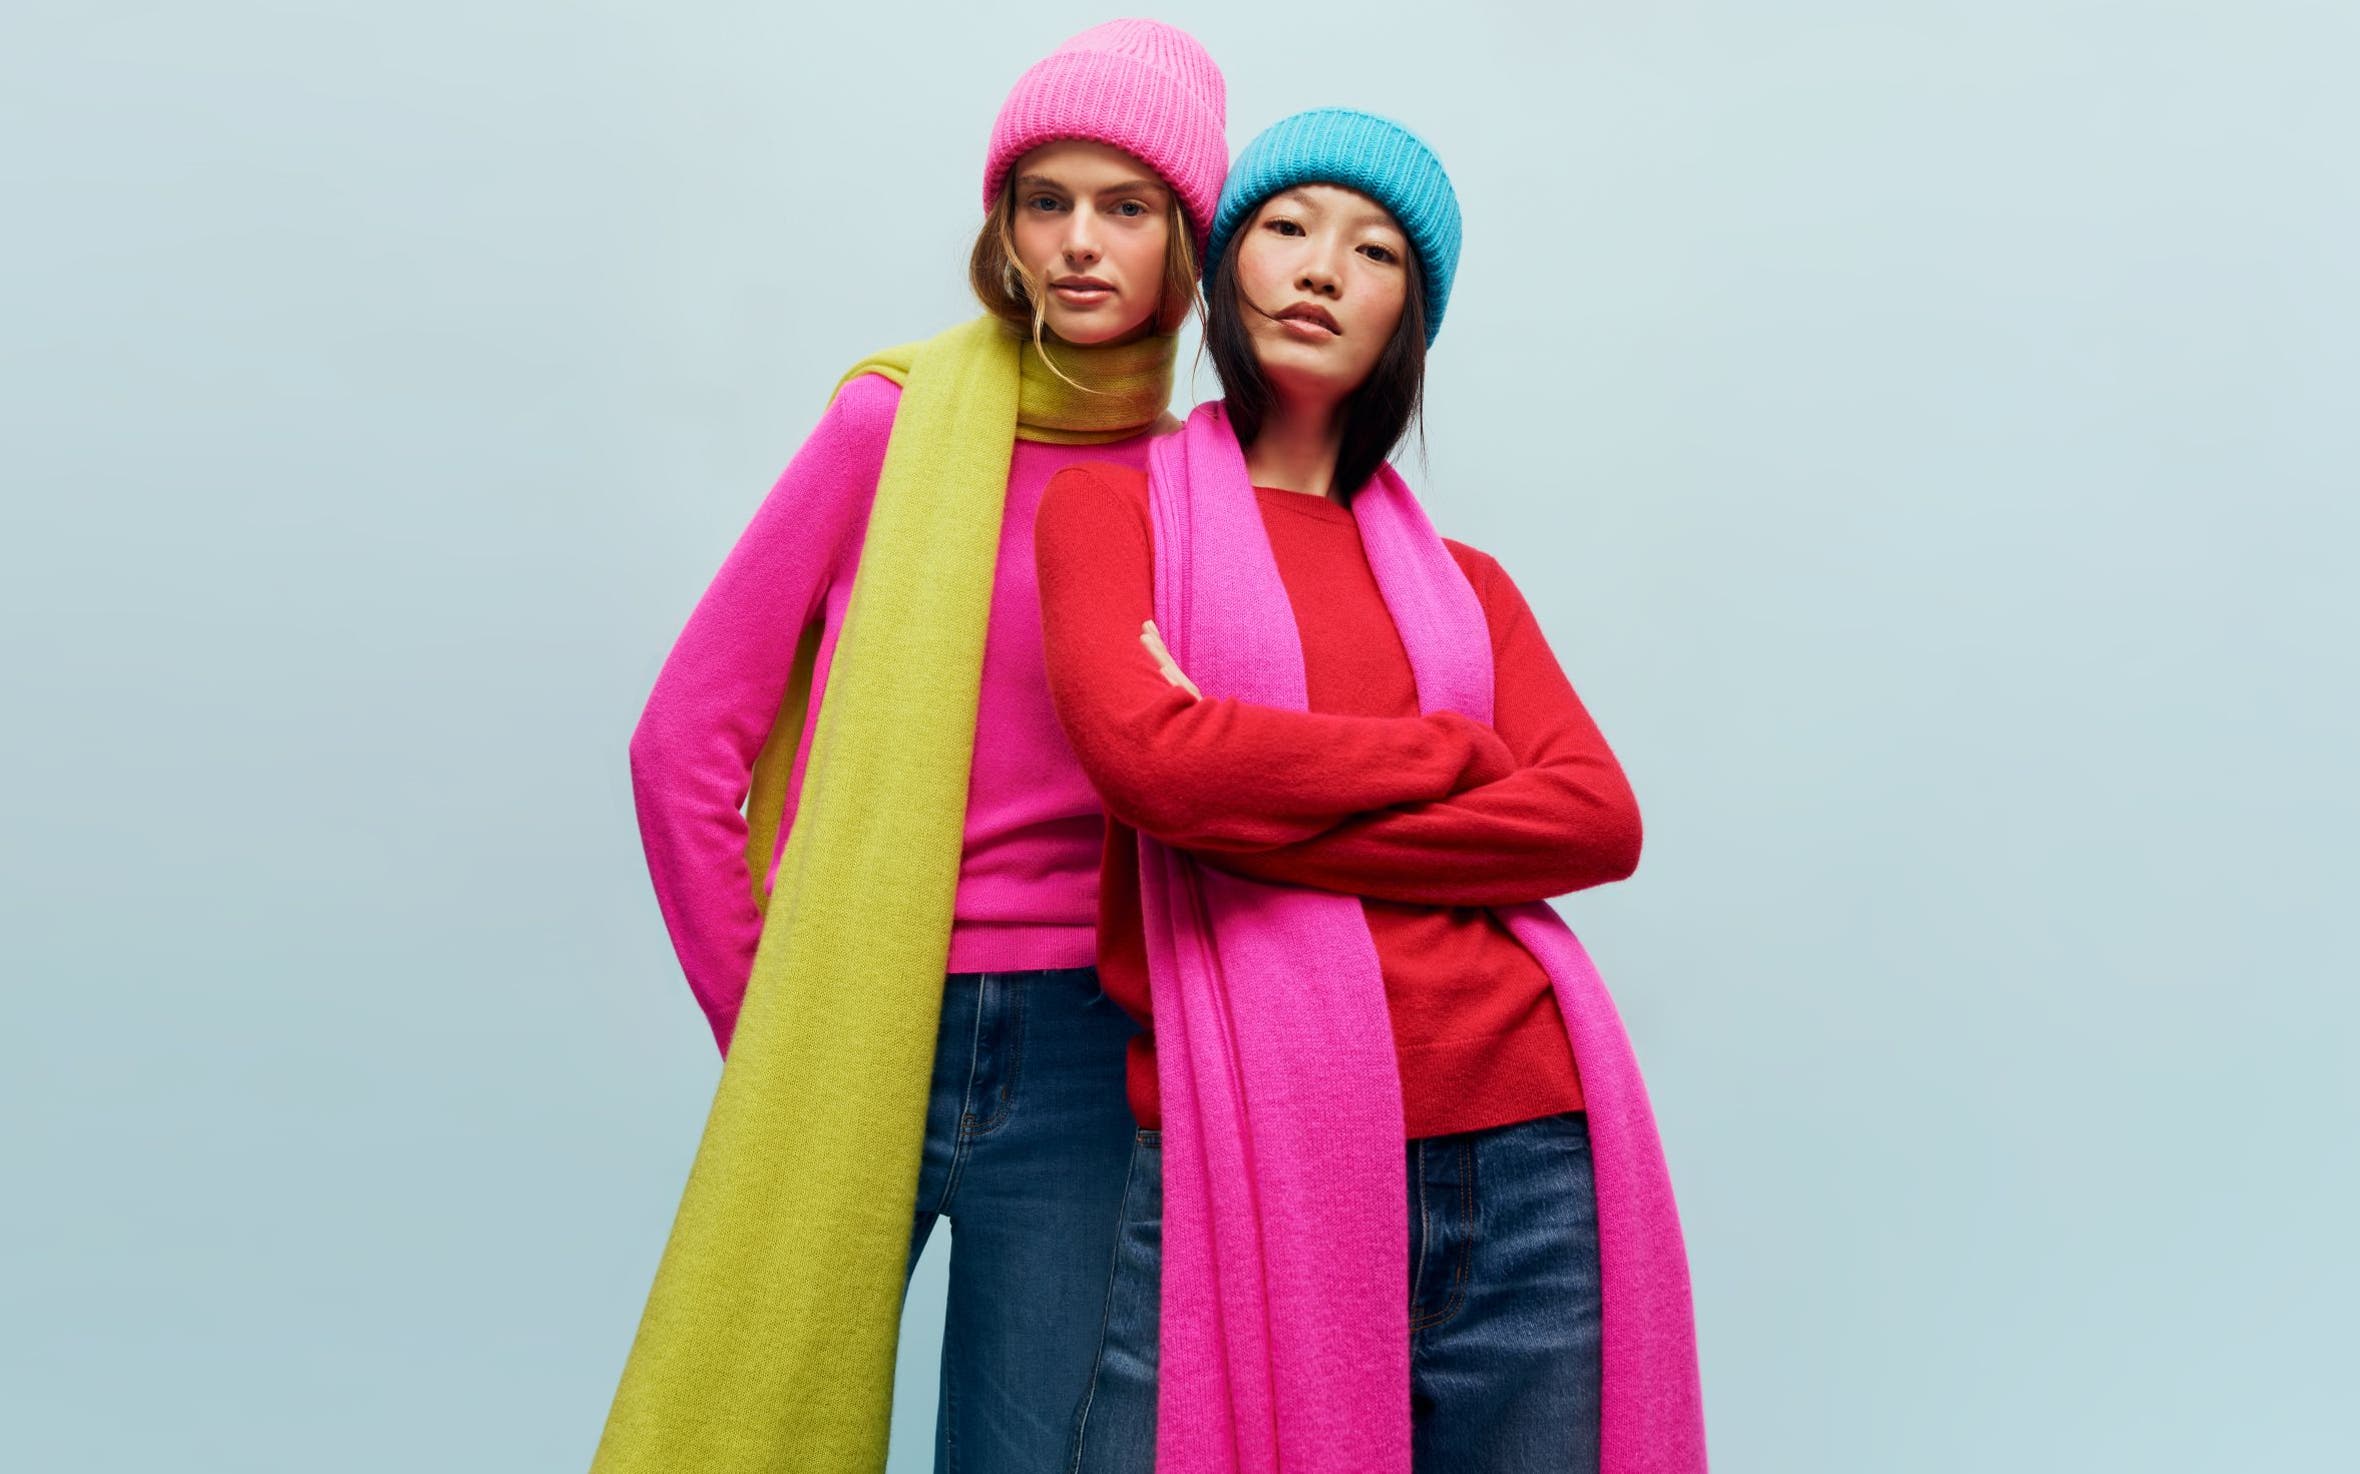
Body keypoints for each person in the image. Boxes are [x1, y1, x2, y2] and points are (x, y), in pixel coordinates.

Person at [594, 23, 1229, 1474]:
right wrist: (774, 1015)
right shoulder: (892, 423)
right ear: (1001, 225)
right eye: (1044, 200)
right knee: (741, 1433)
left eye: (1125, 207)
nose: (1078, 242)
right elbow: (682, 741)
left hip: (1089, 1049)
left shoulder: (1206, 487)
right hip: (866, 1009)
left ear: (1186, 247)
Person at [1035, 109, 1706, 1473]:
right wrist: (1450, 754)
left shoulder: (1468, 584)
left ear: (1411, 314)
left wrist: (1250, 781)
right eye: (1286, 229)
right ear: (1226, 270)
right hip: (1251, 1140)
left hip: (1528, 1145)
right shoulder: (1115, 518)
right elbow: (1146, 764)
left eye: (1375, 251)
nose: (1323, 269)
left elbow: (1594, 819)